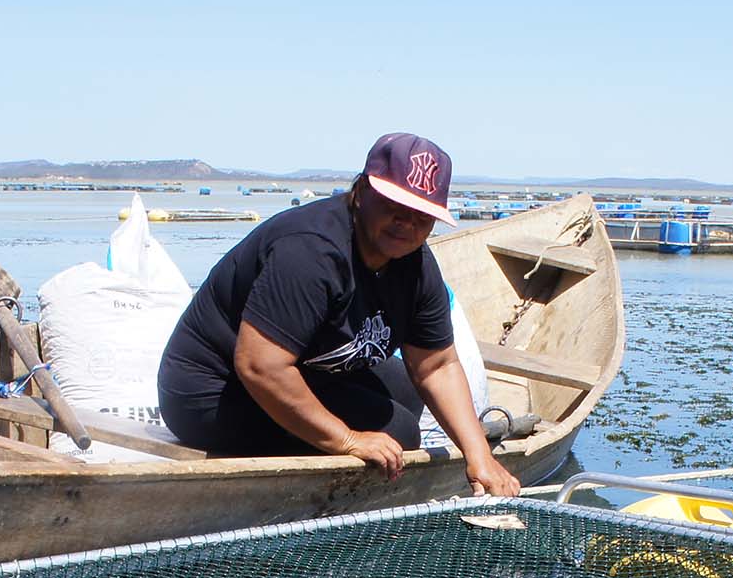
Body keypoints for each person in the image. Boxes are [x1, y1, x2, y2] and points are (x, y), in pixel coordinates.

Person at [156, 132, 520, 496]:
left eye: (422, 214)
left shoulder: (416, 265)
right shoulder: (310, 252)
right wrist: (346, 439)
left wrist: (480, 456)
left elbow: (435, 366)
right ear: (361, 192)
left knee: (409, 392)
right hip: (211, 390)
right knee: (399, 433)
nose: (406, 222)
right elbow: (259, 366)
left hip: (302, 366)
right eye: (395, 205)